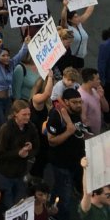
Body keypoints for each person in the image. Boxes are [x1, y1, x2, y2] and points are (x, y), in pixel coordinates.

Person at [47, 88, 87, 220]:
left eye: (80, 102)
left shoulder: (76, 112)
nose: (78, 105)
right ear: (66, 102)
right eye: (75, 102)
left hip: (76, 162)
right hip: (62, 164)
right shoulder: (56, 115)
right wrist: (68, 132)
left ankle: (50, 207)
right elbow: (51, 141)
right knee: (65, 196)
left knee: (59, 188)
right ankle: (60, 216)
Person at [0, 99, 38, 208]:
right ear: (15, 114)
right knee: (7, 204)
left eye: (29, 114)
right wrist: (18, 153)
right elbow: (0, 155)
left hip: (20, 172)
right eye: (24, 114)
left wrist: (29, 152)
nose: (27, 117)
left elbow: (37, 146)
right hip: (6, 174)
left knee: (16, 201)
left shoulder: (30, 127)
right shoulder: (6, 130)